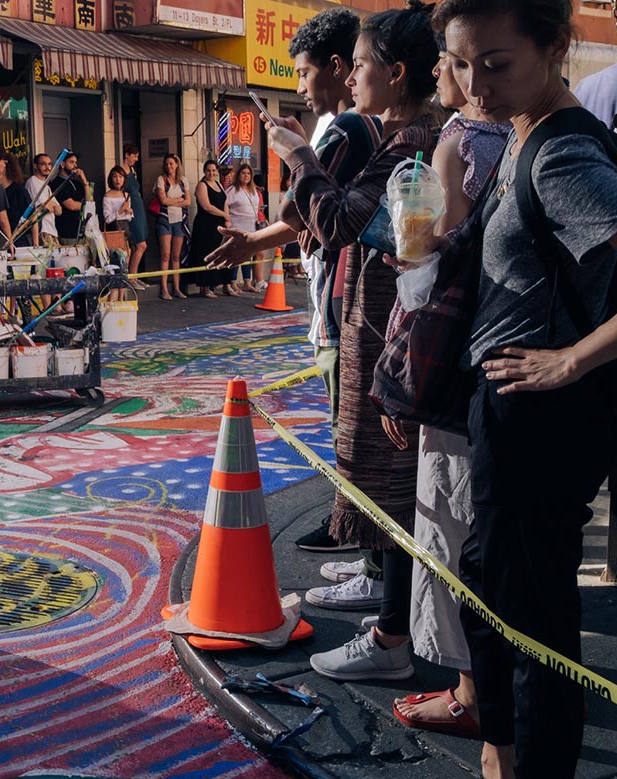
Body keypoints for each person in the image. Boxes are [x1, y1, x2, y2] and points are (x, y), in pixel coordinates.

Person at [425, 2, 617, 779]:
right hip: (516, 409)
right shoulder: (525, 132)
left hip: (539, 419)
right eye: (462, 64)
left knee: (535, 617)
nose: (477, 85)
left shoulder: (560, 155)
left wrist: (572, 360)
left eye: (497, 63)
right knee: (492, 578)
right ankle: (509, 755)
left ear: (556, 47)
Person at [270, 1, 440, 678]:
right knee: (397, 481)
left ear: (394, 73)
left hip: (398, 334)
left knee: (394, 481)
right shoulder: (412, 137)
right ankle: (394, 617)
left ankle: (393, 640)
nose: (350, 79)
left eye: (361, 65)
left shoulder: (413, 143)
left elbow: (339, 221)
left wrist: (297, 155)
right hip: (394, 328)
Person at [209, 8, 383, 546]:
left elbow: (301, 211)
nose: (300, 87)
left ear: (339, 67)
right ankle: (364, 547)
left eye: (305, 73)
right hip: (354, 298)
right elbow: (306, 217)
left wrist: (295, 155)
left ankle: (368, 556)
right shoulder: (368, 128)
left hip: (346, 302)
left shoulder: (348, 128)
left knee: (351, 432)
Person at [388, 44, 510, 743]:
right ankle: (513, 681)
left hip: (459, 365)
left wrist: (401, 378)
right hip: (517, 355)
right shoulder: (530, 138)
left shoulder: (457, 141)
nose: (440, 70)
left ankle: (469, 692)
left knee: (449, 521)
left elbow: (425, 268)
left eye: (451, 58)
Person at [189, 160, 234, 299]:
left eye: (214, 170)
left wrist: (227, 220)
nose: (211, 173)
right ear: (204, 171)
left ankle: (223, 284)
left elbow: (225, 202)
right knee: (206, 253)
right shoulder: (202, 185)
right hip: (205, 225)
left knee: (220, 252)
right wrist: (224, 215)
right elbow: (206, 206)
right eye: (208, 170)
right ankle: (205, 287)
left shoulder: (218, 184)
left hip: (219, 225)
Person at [154, 154, 189, 300]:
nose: (169, 166)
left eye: (171, 163)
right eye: (167, 164)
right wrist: (178, 200)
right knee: (165, 255)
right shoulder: (161, 180)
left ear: (177, 164)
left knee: (176, 256)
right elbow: (162, 200)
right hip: (165, 220)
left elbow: (188, 201)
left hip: (179, 220)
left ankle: (177, 288)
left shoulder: (183, 180)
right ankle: (164, 289)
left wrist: (171, 201)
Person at [226, 162, 265, 294]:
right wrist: (227, 222)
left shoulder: (253, 190)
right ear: (238, 175)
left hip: (251, 226)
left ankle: (247, 282)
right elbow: (225, 206)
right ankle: (233, 282)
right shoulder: (232, 190)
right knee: (236, 254)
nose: (246, 176)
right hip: (237, 225)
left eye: (248, 173)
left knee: (248, 254)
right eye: (243, 173)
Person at [119, 144, 149, 281]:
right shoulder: (121, 171)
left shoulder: (132, 170)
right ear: (127, 155)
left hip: (138, 206)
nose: (136, 159)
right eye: (134, 156)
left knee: (140, 245)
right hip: (130, 208)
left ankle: (134, 276)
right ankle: (131, 277)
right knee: (140, 244)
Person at [1, 152, 37, 248]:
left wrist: (35, 243)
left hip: (19, 241)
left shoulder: (19, 190)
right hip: (1, 241)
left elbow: (33, 217)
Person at [49, 152, 87, 243]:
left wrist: (85, 183)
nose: (75, 165)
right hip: (67, 232)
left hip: (82, 231)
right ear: (62, 164)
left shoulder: (77, 183)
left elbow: (90, 200)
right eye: (71, 162)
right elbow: (71, 205)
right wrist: (88, 206)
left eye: (76, 162)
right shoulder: (57, 183)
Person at [26, 153, 62, 246]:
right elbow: (43, 206)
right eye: (43, 164)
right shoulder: (32, 181)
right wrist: (51, 205)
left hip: (51, 230)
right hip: (42, 230)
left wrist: (52, 205)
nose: (47, 167)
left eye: (49, 164)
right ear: (35, 166)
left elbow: (59, 211)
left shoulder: (47, 186)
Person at [102, 166, 134, 233]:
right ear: (111, 179)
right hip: (114, 229)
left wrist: (130, 212)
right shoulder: (107, 196)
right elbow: (107, 219)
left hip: (126, 228)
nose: (118, 179)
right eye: (115, 176)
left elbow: (129, 217)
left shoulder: (126, 195)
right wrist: (121, 210)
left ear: (124, 179)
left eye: (120, 176)